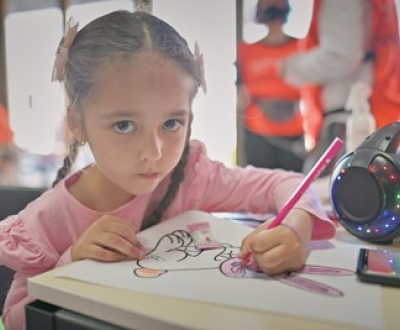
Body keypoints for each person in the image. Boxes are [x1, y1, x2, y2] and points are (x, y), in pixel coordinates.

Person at [0, 11, 335, 330]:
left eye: (172, 122)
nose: (154, 153)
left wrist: (297, 229)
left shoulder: (189, 176)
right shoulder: (46, 222)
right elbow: (15, 321)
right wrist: (71, 261)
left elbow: (288, 184)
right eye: (124, 125)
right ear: (77, 123)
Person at [280, 0, 400, 176]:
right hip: (368, 113)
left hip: (344, 122)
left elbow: (342, 56)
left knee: (320, 193)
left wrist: (291, 68)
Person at [236, 0, 305, 171]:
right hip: (258, 133)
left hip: (295, 134)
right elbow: (241, 87)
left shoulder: (301, 48)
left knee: (294, 186)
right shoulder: (246, 50)